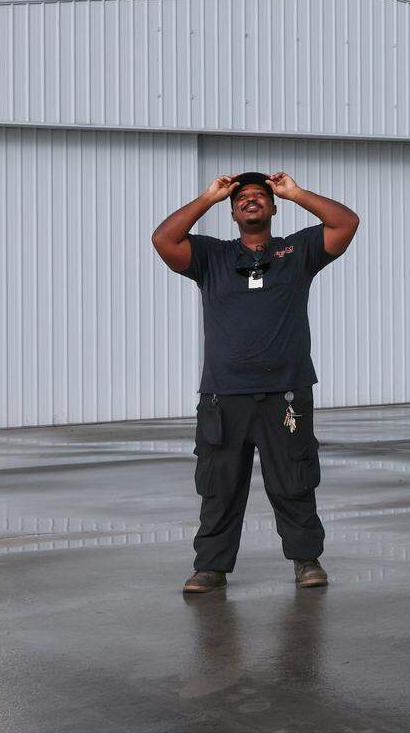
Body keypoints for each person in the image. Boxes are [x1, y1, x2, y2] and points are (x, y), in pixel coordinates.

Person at [151, 171, 359, 593]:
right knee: (219, 488)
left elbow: (345, 224)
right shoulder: (212, 257)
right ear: (231, 211)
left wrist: (297, 191)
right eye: (242, 197)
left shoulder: (297, 251)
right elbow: (163, 240)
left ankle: (307, 561)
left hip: (286, 393)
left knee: (294, 481)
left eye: (259, 196)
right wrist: (207, 198)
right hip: (223, 396)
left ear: (272, 207)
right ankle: (210, 567)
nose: (250, 200)